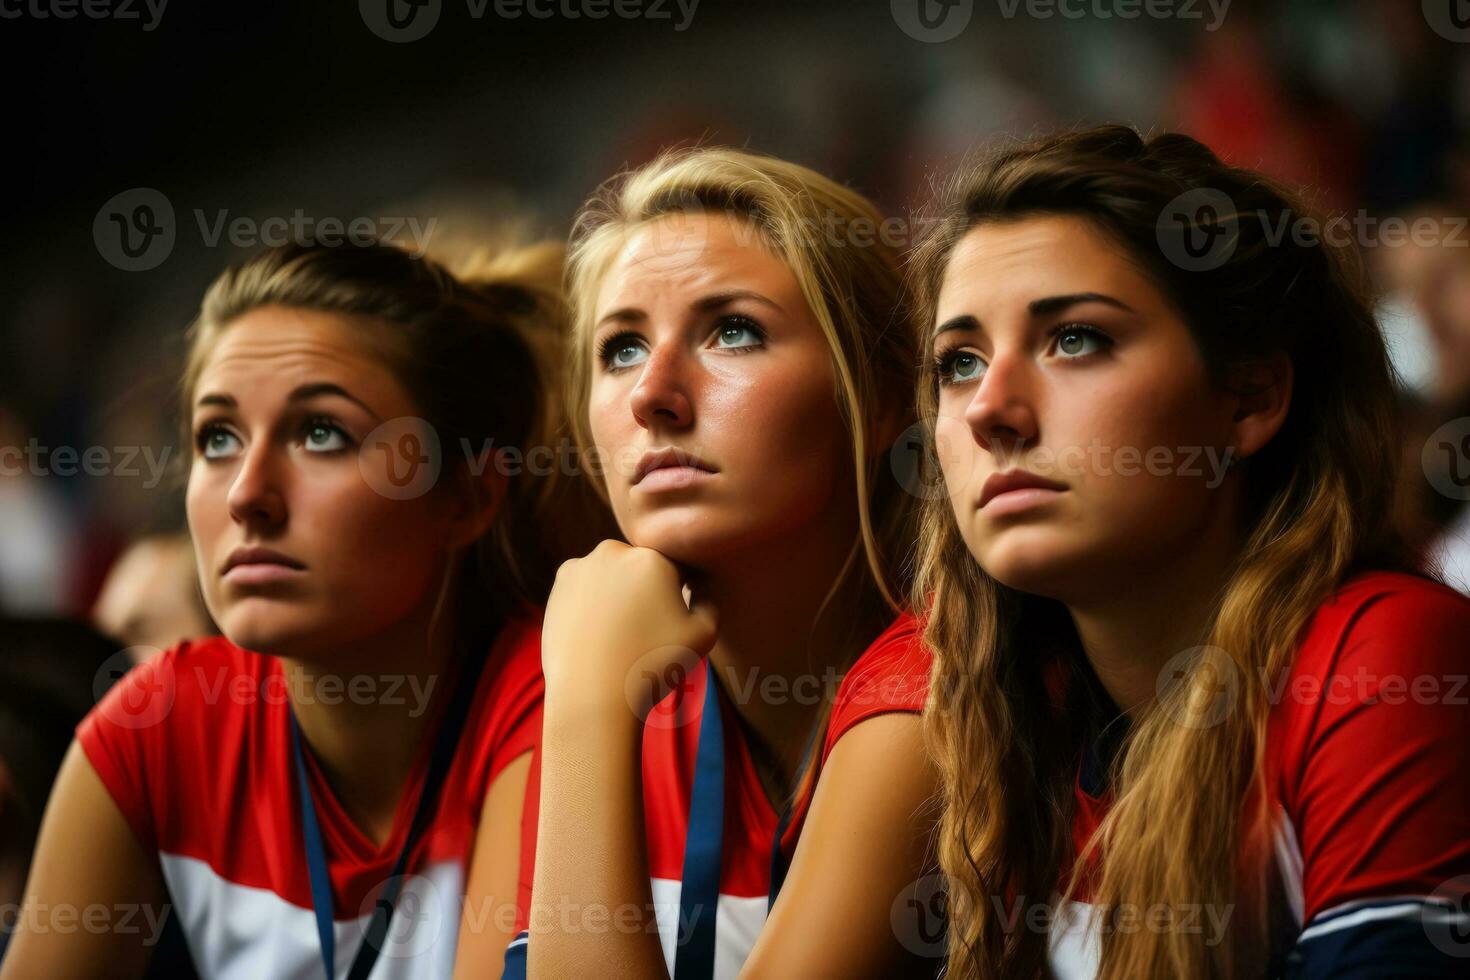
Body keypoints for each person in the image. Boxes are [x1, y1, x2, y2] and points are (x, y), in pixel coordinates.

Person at [910, 125, 1470, 979]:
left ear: (1248, 398)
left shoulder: (1385, 661)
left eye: (1075, 339)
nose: (991, 408)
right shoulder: (1004, 722)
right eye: (959, 362)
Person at [1, 238, 595, 979]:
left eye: (322, 433)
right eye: (218, 438)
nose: (249, 493)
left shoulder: (549, 706)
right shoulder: (156, 727)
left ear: (469, 497)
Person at [501, 148, 942, 979]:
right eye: (621, 348)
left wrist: (588, 715)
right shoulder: (621, 682)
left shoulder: (936, 691)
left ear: (882, 398)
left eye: (732, 331)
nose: (651, 393)